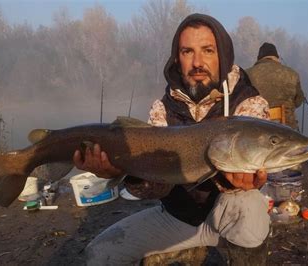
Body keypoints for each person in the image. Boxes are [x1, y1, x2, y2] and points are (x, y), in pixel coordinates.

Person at [73, 13, 271, 265]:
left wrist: (243, 182)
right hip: (177, 216)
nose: (198, 62)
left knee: (249, 204)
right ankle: (186, 247)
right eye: (188, 51)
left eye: (208, 50)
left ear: (223, 55)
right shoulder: (161, 108)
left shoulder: (249, 102)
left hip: (227, 216)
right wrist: (125, 170)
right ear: (177, 58)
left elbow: (262, 167)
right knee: (99, 254)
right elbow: (154, 189)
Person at [246, 42, 305, 130]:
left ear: (259, 58)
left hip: (258, 130)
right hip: (288, 131)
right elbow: (298, 101)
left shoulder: (247, 74)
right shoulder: (293, 74)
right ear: (276, 57)